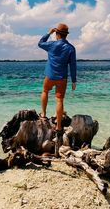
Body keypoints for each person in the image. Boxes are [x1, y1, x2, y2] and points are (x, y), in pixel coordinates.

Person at [38, 23, 77, 154]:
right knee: (59, 100)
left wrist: (48, 33)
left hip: (50, 75)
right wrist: (74, 80)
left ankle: (43, 115)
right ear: (66, 34)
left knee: (45, 91)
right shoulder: (71, 48)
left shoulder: (51, 45)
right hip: (62, 77)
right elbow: (73, 65)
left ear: (57, 33)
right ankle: (59, 126)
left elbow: (40, 43)